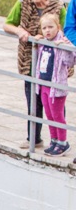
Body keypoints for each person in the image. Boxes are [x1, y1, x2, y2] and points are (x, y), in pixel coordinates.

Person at [3, 0, 67, 150]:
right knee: (33, 98)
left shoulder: (58, 6)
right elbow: (7, 24)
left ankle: (60, 140)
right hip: (29, 58)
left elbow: (66, 30)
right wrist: (19, 31)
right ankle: (34, 137)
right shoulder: (23, 2)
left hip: (54, 62)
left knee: (55, 100)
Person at [32, 13, 76, 156]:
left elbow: (70, 61)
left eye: (51, 27)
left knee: (57, 115)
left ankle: (63, 142)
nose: (47, 31)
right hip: (44, 84)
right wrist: (38, 40)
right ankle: (54, 140)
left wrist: (64, 46)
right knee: (49, 114)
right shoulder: (45, 42)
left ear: (58, 27)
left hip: (56, 87)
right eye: (44, 28)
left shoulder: (62, 42)